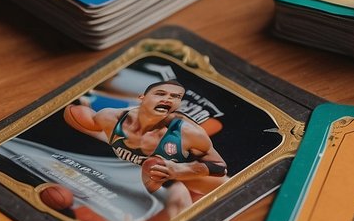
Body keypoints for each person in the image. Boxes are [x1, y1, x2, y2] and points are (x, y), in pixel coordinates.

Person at [62, 79, 230, 214]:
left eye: (176, 97)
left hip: (185, 172)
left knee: (224, 193)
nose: (168, 99)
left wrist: (180, 170)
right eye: (160, 94)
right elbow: (76, 115)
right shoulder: (110, 117)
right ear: (141, 98)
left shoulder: (188, 132)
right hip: (147, 175)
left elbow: (219, 167)